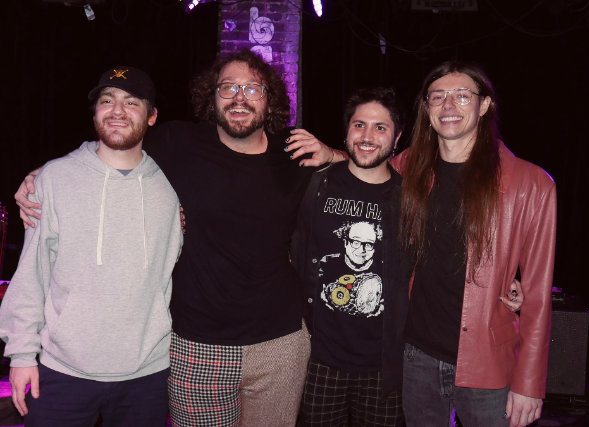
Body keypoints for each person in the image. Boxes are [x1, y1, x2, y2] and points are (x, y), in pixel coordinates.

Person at [15, 50, 341, 427]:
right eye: (228, 87)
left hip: (280, 344)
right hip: (196, 347)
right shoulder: (177, 141)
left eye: (253, 88)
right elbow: (114, 144)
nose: (240, 97)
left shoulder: (294, 152)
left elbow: (366, 170)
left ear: (270, 100)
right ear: (212, 97)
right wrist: (39, 176)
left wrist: (332, 153)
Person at [0, 66, 183, 426]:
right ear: (95, 111)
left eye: (131, 102)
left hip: (146, 373)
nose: (117, 111)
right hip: (61, 370)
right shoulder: (54, 178)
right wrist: (21, 355)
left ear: (151, 116)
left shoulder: (172, 186)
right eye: (106, 101)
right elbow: (32, 273)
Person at [394, 61, 556, 427]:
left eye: (462, 96)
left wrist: (530, 384)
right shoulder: (407, 168)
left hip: (489, 365)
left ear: (484, 105)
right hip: (417, 357)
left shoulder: (531, 184)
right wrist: (333, 155)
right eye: (438, 96)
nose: (448, 105)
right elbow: (365, 167)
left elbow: (538, 297)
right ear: (426, 108)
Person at [291, 88, 410, 426]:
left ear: (397, 138)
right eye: (359, 125)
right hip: (318, 360)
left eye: (380, 127)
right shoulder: (314, 185)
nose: (367, 136)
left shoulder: (410, 200)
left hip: (383, 366)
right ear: (346, 131)